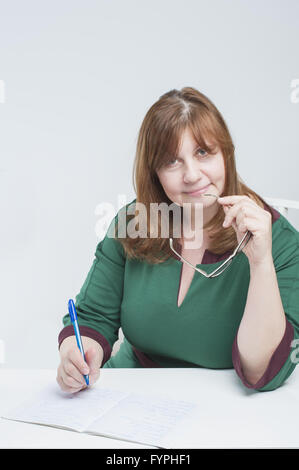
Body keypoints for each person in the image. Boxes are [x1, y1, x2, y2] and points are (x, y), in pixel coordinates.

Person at [57, 87, 299, 394]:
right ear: (154, 173)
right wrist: (76, 355)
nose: (192, 175)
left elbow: (260, 369)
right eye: (172, 161)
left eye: (203, 152)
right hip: (130, 400)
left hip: (224, 408)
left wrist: (260, 262)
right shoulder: (135, 223)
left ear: (225, 153)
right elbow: (92, 317)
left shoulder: (279, 241)